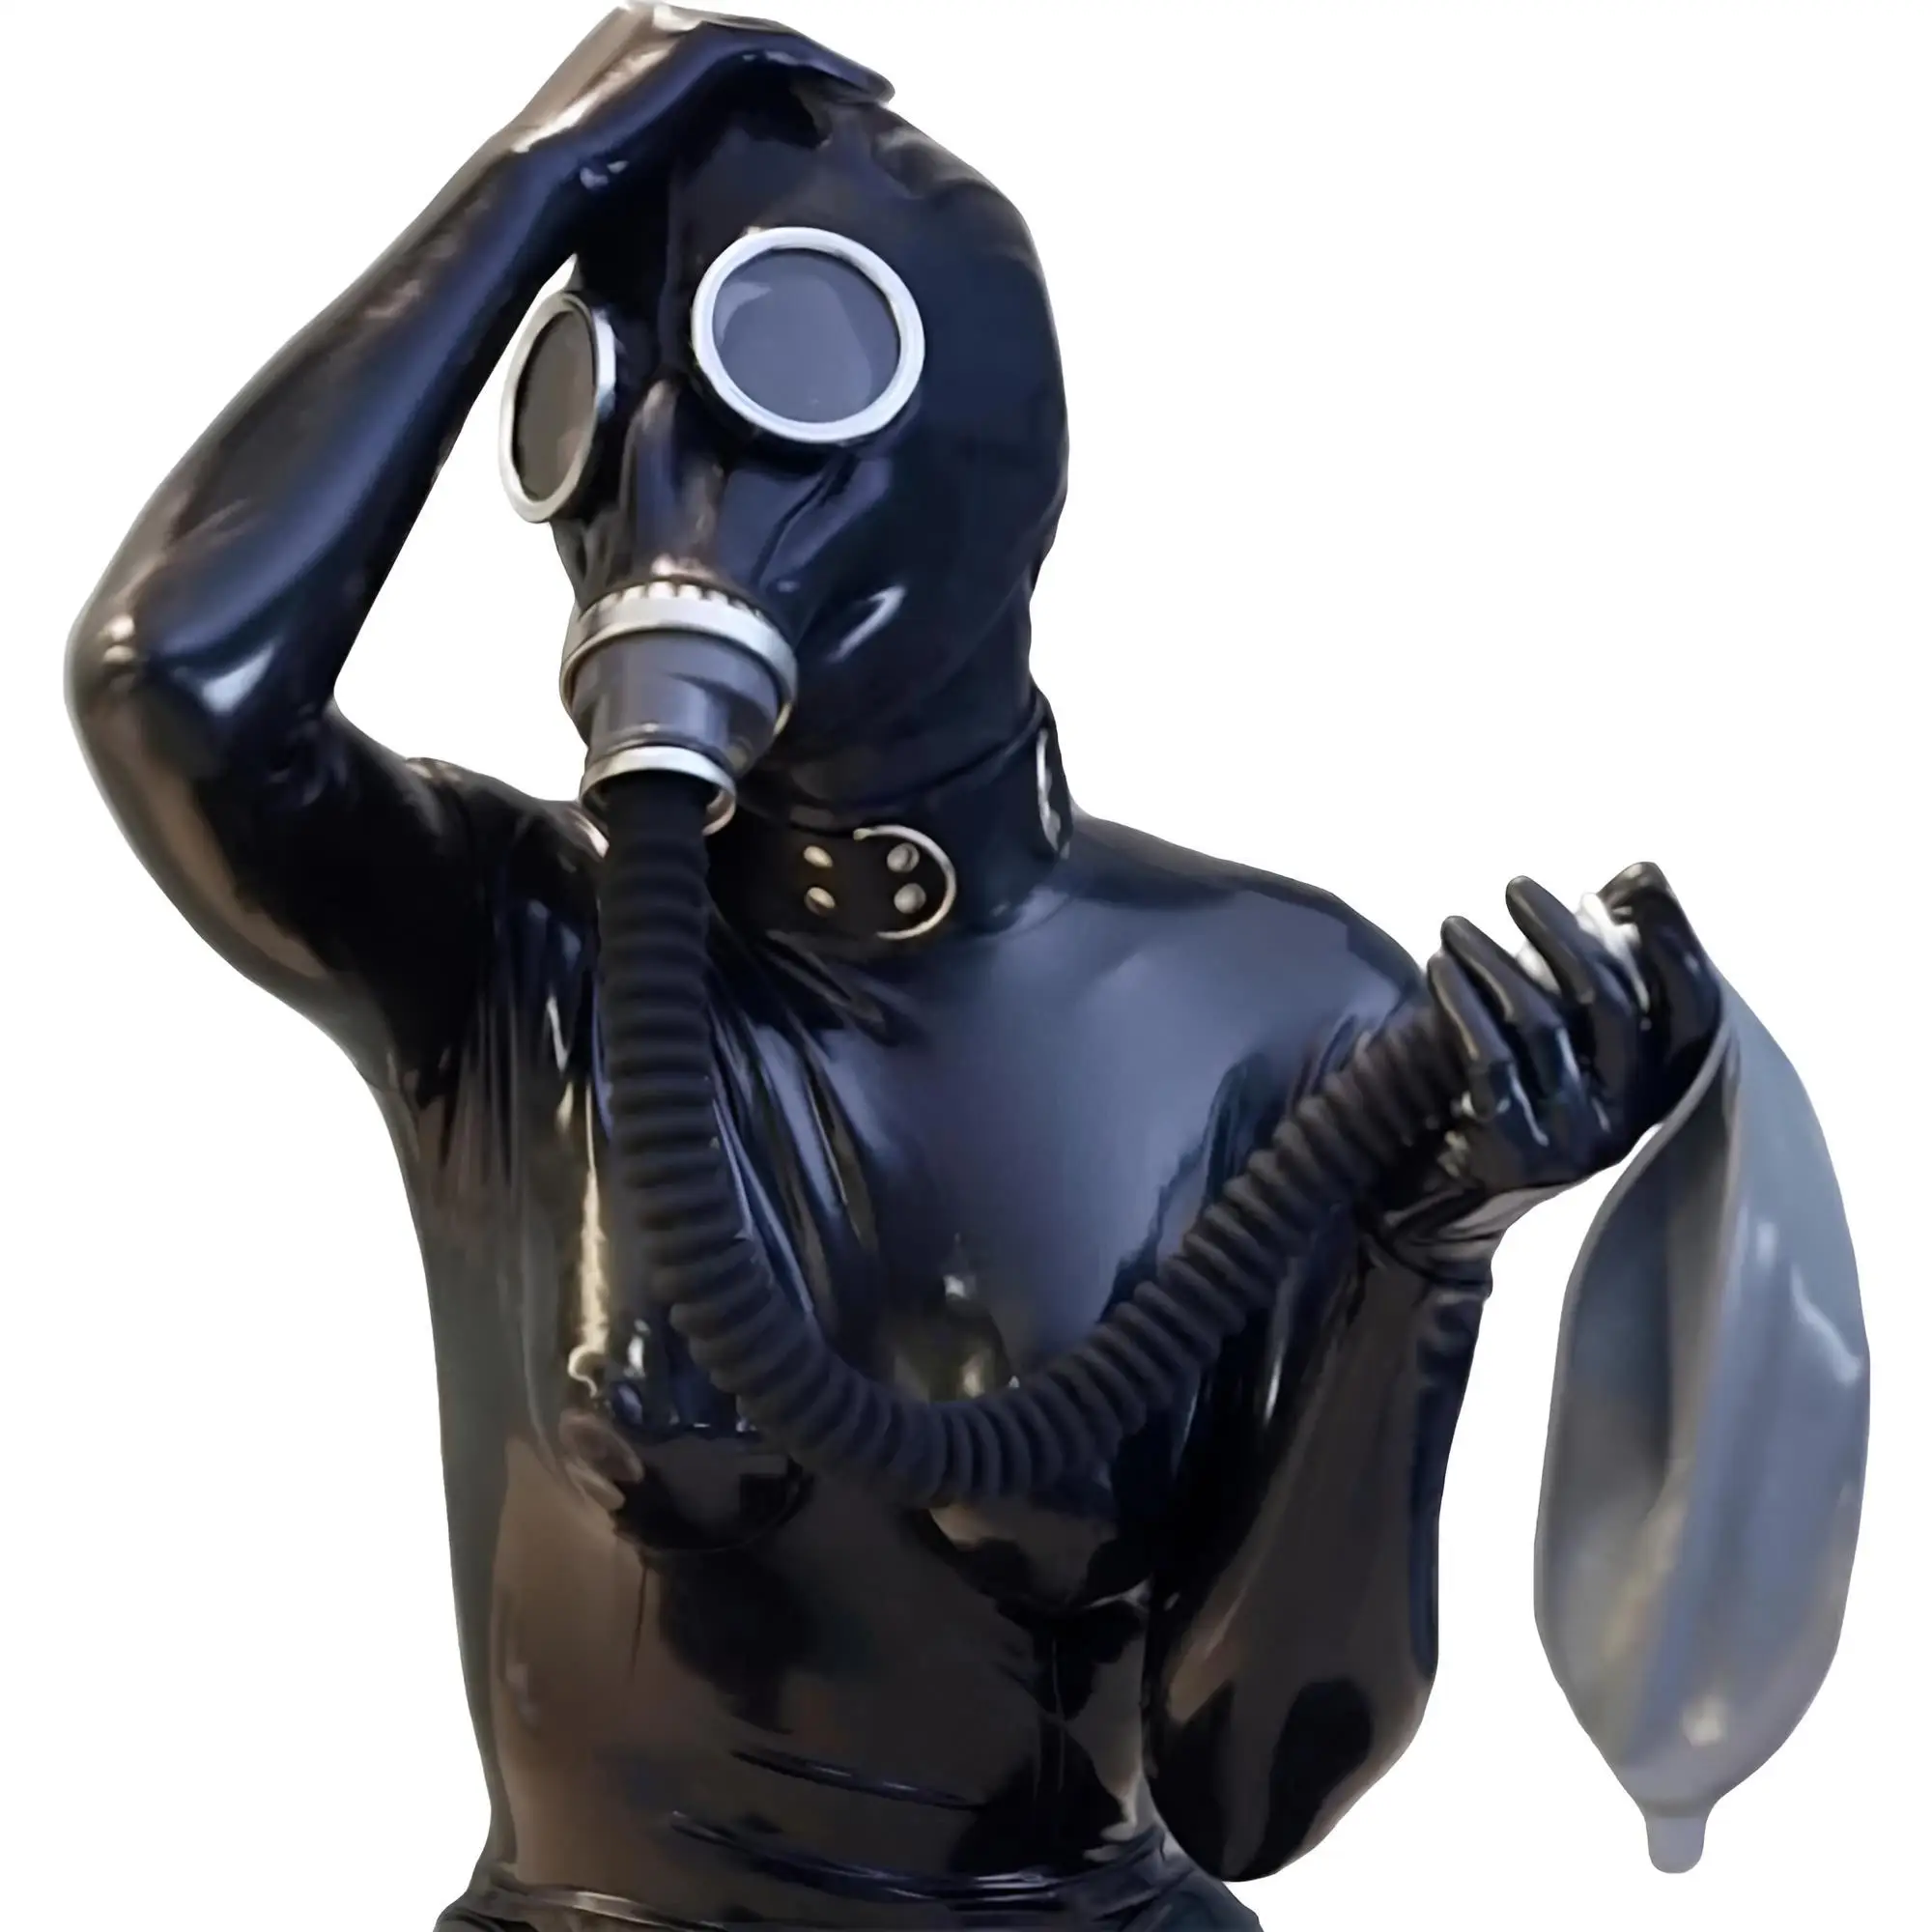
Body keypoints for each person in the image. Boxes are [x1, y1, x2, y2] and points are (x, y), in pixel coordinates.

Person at [66, 9, 1717, 1928]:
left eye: (777, 368)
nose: (661, 487)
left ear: (981, 452)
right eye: (601, 399)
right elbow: (170, 682)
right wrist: (531, 183)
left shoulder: (1280, 1008)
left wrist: (1427, 1255)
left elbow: (1250, 1788)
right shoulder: (513, 956)